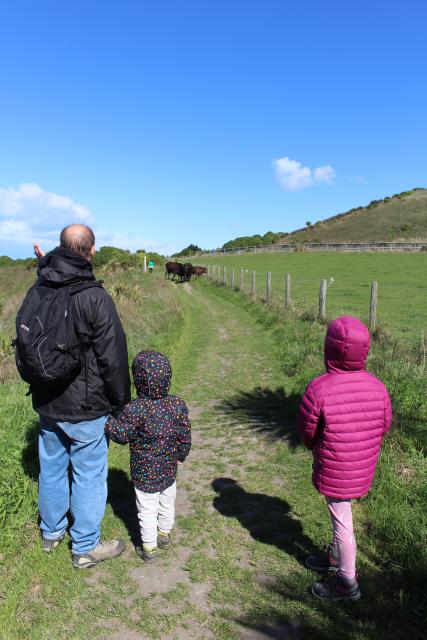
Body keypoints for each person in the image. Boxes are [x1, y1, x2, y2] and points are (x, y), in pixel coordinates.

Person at [29, 225, 131, 569]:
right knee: (88, 474)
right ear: (92, 250)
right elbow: (112, 357)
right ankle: (85, 546)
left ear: (61, 247)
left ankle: (51, 532)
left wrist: (43, 264)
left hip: (47, 400)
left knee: (52, 469)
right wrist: (121, 402)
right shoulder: (94, 296)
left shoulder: (41, 287)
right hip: (87, 407)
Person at [298, 316, 392, 601]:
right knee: (342, 513)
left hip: (334, 466)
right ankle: (335, 556)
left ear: (329, 348)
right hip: (362, 466)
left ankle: (346, 582)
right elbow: (384, 425)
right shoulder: (379, 387)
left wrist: (314, 446)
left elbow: (307, 430)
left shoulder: (319, 388)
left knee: (342, 521)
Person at [106, 350, 191, 562]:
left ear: (138, 380)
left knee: (147, 510)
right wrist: (181, 454)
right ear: (167, 377)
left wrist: (107, 422)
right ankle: (164, 535)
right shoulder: (177, 405)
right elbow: (184, 432)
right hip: (169, 469)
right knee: (167, 502)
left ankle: (149, 548)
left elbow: (121, 434)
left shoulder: (136, 409)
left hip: (144, 473)